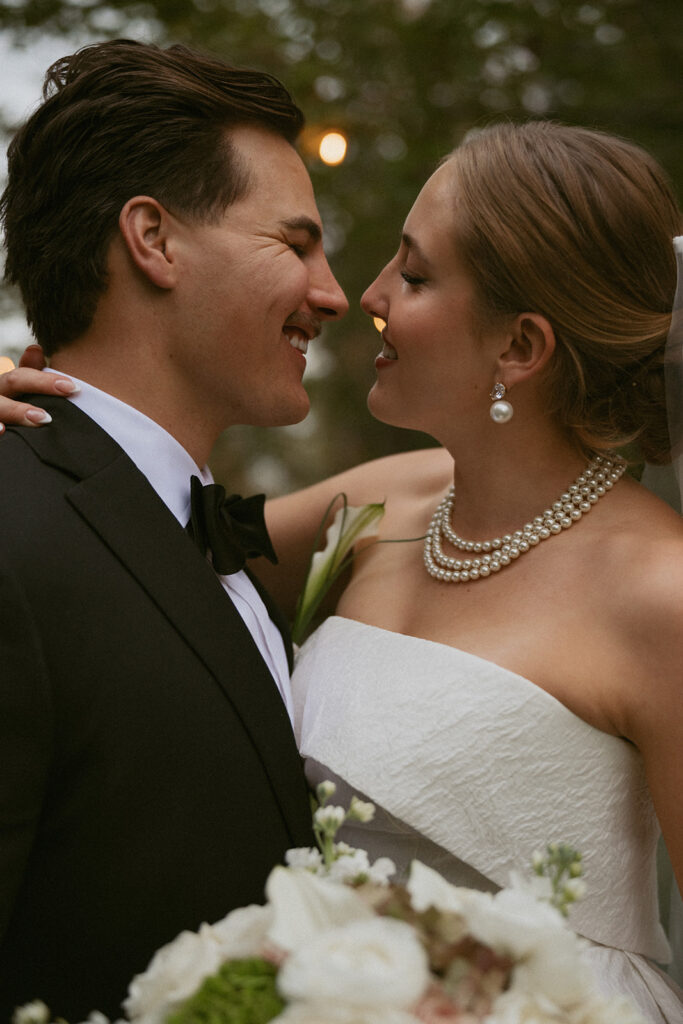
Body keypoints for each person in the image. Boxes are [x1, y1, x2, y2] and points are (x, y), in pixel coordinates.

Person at [3, 124, 682, 1020]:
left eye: (415, 275)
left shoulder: (660, 593)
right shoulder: (379, 505)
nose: (365, 296)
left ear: (519, 347)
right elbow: (134, 536)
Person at [0, 38, 347, 1021]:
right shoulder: (14, 533)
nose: (331, 293)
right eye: (294, 243)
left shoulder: (206, 530)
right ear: (153, 239)